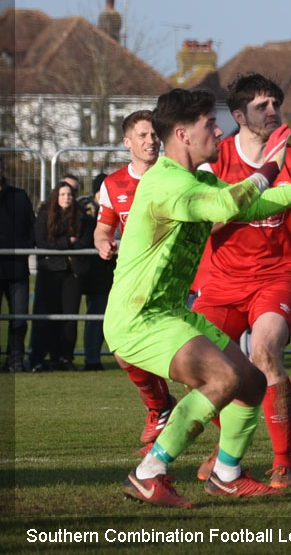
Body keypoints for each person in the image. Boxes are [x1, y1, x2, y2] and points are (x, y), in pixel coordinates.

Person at [104, 87, 291, 508]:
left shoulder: (198, 178)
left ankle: (226, 474)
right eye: (209, 124)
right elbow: (228, 203)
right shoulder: (165, 183)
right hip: (138, 318)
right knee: (225, 378)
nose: (218, 130)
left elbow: (246, 207)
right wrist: (270, 165)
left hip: (167, 312)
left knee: (250, 383)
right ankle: (149, 472)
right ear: (182, 134)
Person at [190, 73, 291, 490]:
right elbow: (208, 218)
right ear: (238, 115)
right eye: (261, 106)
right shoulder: (214, 161)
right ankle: (228, 452)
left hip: (277, 276)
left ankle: (282, 464)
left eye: (276, 103)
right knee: (200, 366)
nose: (272, 110)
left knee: (265, 353)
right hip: (221, 279)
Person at [94, 110, 178, 446]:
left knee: (185, 361)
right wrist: (104, 244)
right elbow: (102, 229)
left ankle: (223, 447)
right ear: (127, 142)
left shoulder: (173, 177)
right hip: (130, 281)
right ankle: (159, 406)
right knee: (122, 352)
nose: (151, 141)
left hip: (172, 280)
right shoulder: (113, 184)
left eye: (155, 135)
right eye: (143, 135)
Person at [30, 181, 94, 372]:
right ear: (56, 197)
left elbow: (84, 241)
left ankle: (67, 357)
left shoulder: (82, 216)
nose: (67, 198)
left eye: (70, 194)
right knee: (51, 315)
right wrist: (67, 241)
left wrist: (62, 245)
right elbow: (41, 241)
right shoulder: (44, 215)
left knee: (69, 316)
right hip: (50, 272)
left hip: (72, 273)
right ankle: (53, 356)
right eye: (63, 194)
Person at [1, 155, 35, 373]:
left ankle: (15, 361)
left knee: (19, 319)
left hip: (17, 270)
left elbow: (31, 228)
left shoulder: (19, 196)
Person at [79, 173, 114, 370]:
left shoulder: (116, 206)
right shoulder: (87, 212)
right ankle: (92, 358)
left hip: (115, 272)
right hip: (96, 274)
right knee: (96, 316)